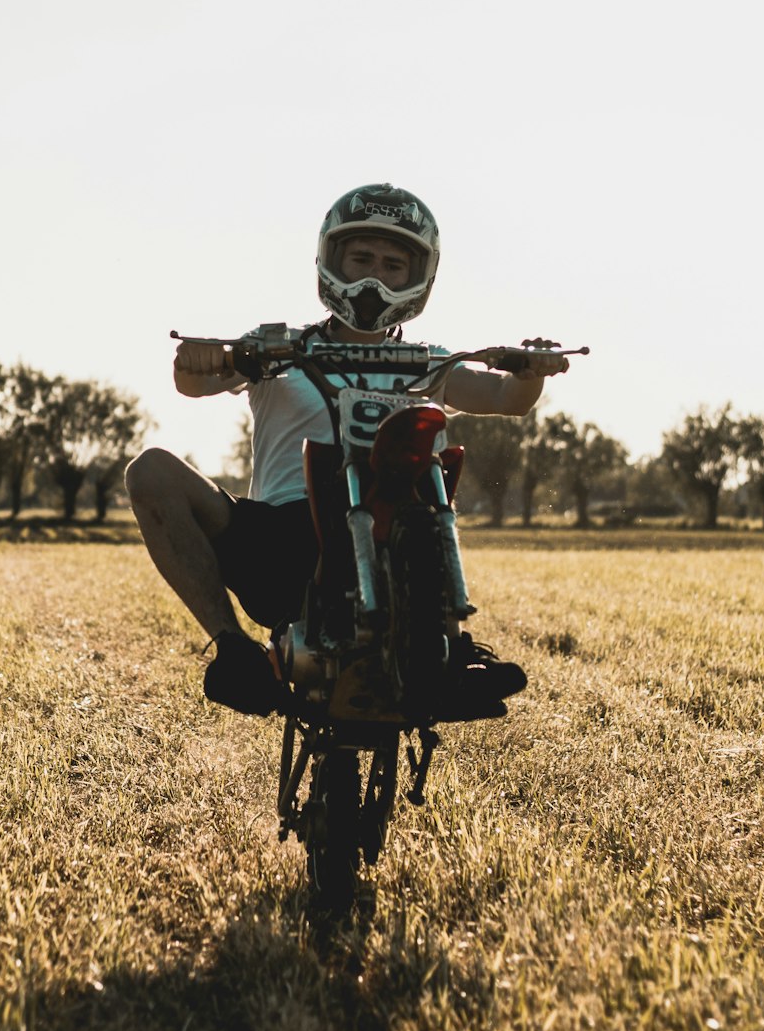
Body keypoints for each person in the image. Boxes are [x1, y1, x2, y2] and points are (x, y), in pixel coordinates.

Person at [125, 183, 568, 717]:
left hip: (395, 532)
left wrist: (531, 370)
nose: (374, 275)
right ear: (332, 260)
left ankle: (448, 651)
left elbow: (504, 398)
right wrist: (198, 358)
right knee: (150, 470)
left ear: (418, 277)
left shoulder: (429, 363)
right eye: (361, 258)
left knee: (426, 467)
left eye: (392, 264)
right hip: (280, 539)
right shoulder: (276, 348)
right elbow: (194, 382)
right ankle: (236, 651)